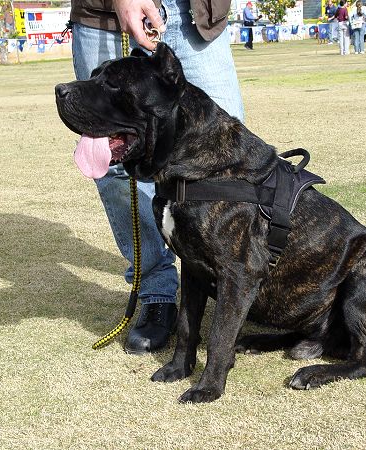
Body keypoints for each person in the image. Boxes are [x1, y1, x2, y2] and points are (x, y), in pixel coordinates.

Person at [69, 0, 244, 354]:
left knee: (229, 156)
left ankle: (239, 288)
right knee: (115, 157)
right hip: (103, 15)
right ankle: (157, 293)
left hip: (194, 13)